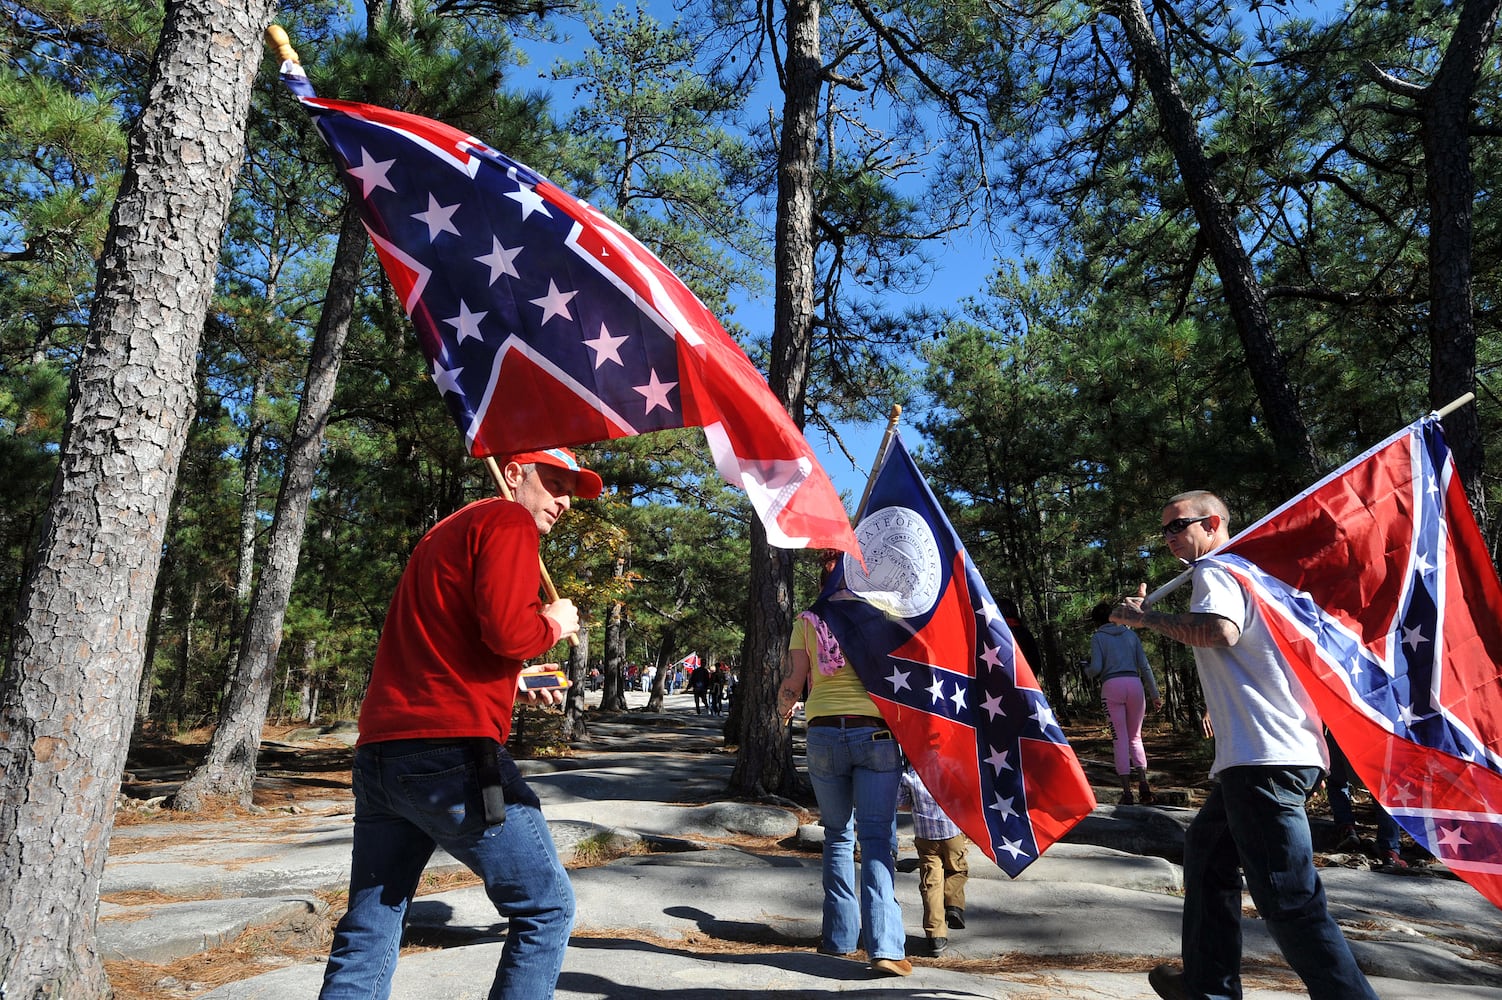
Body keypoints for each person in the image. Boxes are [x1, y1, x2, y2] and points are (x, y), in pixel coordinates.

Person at [318, 447, 602, 1000]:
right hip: (451, 755)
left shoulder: (446, 531)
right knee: (546, 908)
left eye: (573, 491)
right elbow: (507, 631)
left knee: (373, 920)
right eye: (557, 482)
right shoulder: (508, 518)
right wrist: (551, 621)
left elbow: (454, 641)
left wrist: (513, 678)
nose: (565, 501)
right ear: (514, 474)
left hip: (382, 754)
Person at [1111, 489, 1379, 1000]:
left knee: (1288, 898)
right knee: (1207, 853)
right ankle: (1208, 985)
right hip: (1270, 755)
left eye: (1178, 526)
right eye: (1163, 529)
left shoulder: (1216, 569)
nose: (1168, 537)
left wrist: (1144, 619)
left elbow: (1220, 630)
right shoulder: (1253, 575)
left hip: (1264, 759)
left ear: (1212, 523)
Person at [777, 555, 911, 978]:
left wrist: (782, 711)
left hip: (822, 734)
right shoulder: (882, 614)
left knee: (836, 836)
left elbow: (794, 682)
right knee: (876, 839)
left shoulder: (808, 619)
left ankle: (838, 937)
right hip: (875, 733)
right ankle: (885, 945)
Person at [1087, 600, 1164, 805]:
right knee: (1135, 738)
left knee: (1119, 739)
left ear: (1096, 622)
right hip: (1135, 685)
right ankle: (1144, 787)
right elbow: (1145, 666)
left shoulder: (1098, 638)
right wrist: (1155, 694)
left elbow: (1095, 668)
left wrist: (1086, 669)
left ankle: (1127, 792)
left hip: (1112, 686)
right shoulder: (1131, 635)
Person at [897, 763, 968, 956]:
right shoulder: (952, 768)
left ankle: (935, 936)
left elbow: (902, 804)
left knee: (931, 883)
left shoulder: (909, 773)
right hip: (952, 831)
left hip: (925, 836)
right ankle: (953, 906)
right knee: (957, 870)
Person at [1325, 728, 1407, 870]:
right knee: (1383, 790)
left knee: (1336, 782)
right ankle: (1390, 850)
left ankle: (1347, 829)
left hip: (1339, 727)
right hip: (1373, 729)